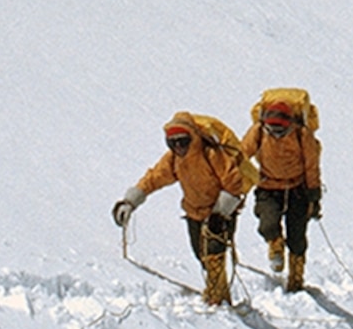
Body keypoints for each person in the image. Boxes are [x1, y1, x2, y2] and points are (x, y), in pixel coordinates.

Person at [112, 113, 254, 306]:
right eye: (172, 143)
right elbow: (154, 178)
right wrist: (130, 201)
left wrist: (221, 212)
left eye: (183, 141)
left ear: (193, 137)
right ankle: (218, 293)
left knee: (214, 252)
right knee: (201, 254)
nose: (178, 147)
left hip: (219, 214)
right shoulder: (174, 159)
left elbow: (234, 183)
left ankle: (218, 299)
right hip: (194, 213)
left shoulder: (211, 154)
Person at [241, 90, 322, 294]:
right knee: (267, 224)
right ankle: (275, 245)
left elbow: (312, 165)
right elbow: (241, 155)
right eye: (272, 130)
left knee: (297, 236)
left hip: (297, 189)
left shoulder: (303, 134)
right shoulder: (258, 131)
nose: (276, 134)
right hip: (268, 187)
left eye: (280, 130)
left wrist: (314, 196)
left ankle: (296, 278)